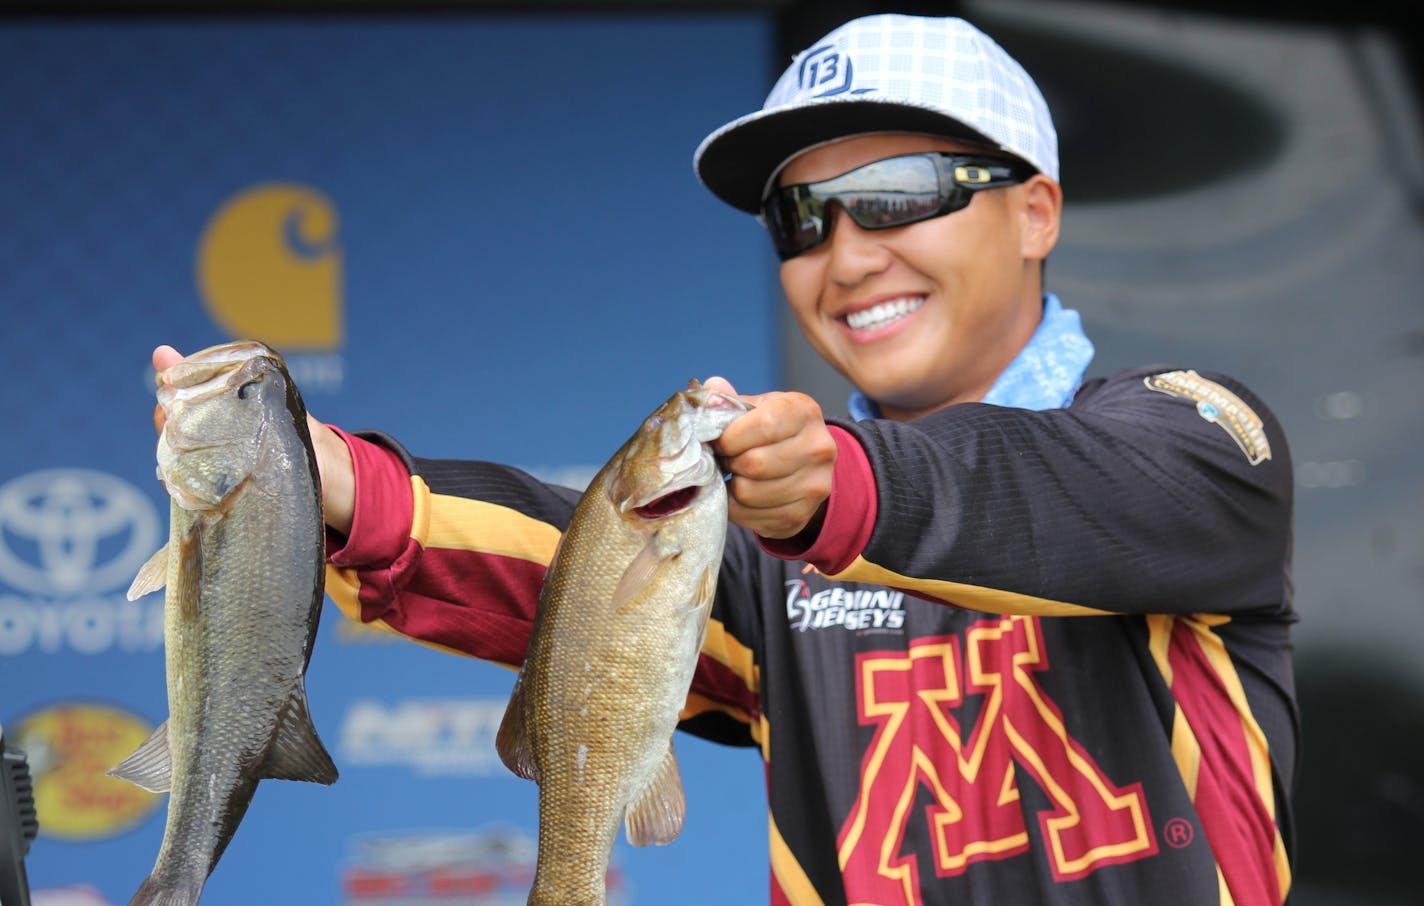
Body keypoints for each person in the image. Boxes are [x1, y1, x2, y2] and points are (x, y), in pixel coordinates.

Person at [153, 13, 1298, 905]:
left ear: (1035, 211)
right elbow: (586, 576)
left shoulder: (1195, 442)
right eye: (800, 219)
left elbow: (1043, 492)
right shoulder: (768, 553)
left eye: (893, 198)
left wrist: (844, 489)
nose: (845, 256)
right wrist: (331, 489)